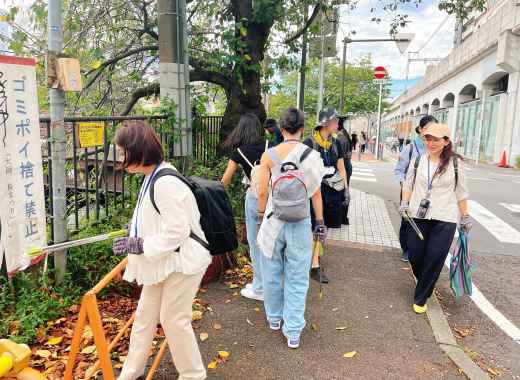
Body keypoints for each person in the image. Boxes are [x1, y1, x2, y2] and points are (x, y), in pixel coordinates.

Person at [112, 120, 210, 380]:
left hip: (182, 262)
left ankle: (193, 375)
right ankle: (130, 373)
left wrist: (141, 244)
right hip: (165, 260)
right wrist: (135, 230)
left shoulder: (164, 182)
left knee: (173, 320)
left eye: (123, 152)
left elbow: (177, 232)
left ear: (138, 150)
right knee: (145, 317)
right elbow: (158, 217)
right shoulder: (153, 175)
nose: (120, 158)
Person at [256, 107, 325, 349]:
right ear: (302, 129)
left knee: (271, 271)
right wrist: (319, 223)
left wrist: (262, 212)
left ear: (282, 129)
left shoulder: (269, 155)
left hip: (274, 220)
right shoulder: (312, 157)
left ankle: (275, 318)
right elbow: (316, 194)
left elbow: (262, 191)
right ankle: (293, 331)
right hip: (300, 220)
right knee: (297, 276)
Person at [400, 123, 471, 314]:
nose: (430, 143)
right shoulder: (418, 161)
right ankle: (425, 282)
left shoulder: (456, 164)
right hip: (417, 215)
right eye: (428, 138)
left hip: (445, 217)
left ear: (446, 142)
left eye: (435, 139)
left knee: (435, 257)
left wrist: (465, 217)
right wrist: (404, 203)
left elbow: (461, 193)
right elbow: (408, 185)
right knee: (415, 254)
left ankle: (421, 297)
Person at [221, 113, 269, 301]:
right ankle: (267, 283)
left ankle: (259, 288)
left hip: (254, 198)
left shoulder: (239, 152)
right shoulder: (269, 146)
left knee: (256, 244)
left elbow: (225, 180)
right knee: (269, 241)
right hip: (272, 198)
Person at [303, 108, 349, 283]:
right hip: (315, 190)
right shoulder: (309, 143)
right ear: (326, 123)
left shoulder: (335, 143)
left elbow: (341, 168)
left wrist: (346, 189)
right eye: (336, 120)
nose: (338, 124)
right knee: (315, 225)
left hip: (333, 190)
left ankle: (315, 258)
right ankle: (314, 265)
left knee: (325, 225)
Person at [394, 115, 438, 262]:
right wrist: (404, 187)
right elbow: (399, 170)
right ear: (420, 129)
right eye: (428, 129)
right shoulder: (411, 147)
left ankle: (420, 249)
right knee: (407, 221)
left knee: (424, 220)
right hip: (410, 191)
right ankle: (406, 249)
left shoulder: (436, 148)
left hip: (427, 193)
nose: (431, 133)